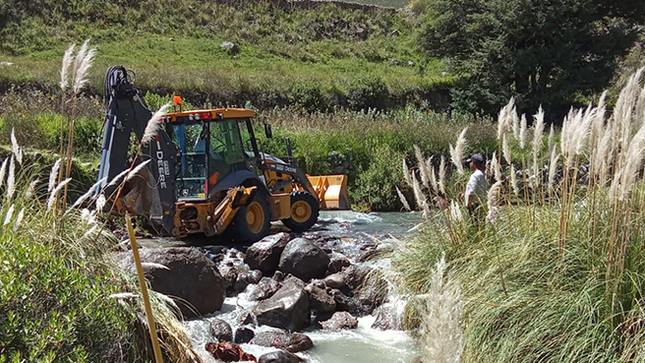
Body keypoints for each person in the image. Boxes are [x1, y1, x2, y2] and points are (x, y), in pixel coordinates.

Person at [464, 153, 489, 224]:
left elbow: (472, 191)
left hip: (474, 206)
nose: (469, 164)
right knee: (481, 225)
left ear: (473, 164)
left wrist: (468, 203)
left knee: (474, 226)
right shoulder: (483, 175)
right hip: (482, 205)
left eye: (470, 162)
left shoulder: (474, 176)